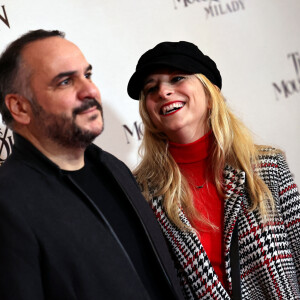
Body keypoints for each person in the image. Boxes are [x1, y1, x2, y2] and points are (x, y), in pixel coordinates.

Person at [0, 30, 184, 300]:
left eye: (87, 75)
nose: (89, 90)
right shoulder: (8, 202)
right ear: (20, 107)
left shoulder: (113, 168)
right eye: (64, 82)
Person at [127, 41, 300, 299]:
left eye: (177, 78)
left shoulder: (267, 165)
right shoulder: (140, 193)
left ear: (210, 93)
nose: (163, 91)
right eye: (151, 88)